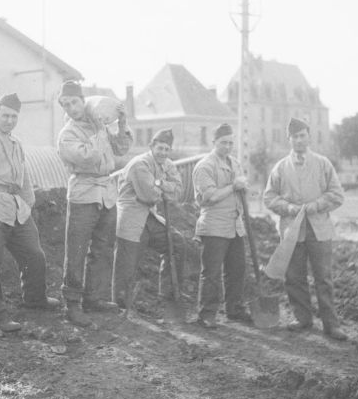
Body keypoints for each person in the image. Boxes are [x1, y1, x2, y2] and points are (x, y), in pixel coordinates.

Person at [0, 93, 59, 333]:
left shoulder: (16, 143)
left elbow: (24, 177)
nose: (9, 120)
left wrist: (28, 203)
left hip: (16, 209)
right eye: (5, 115)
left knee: (35, 254)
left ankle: (34, 298)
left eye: (14, 116)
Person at [263, 117, 347, 341]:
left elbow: (337, 195)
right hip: (292, 231)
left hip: (319, 229)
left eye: (303, 136)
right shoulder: (280, 167)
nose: (299, 140)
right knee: (294, 276)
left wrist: (316, 205)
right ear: (288, 139)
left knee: (324, 277)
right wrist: (288, 207)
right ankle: (303, 318)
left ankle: (331, 324)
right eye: (295, 137)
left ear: (308, 136)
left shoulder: (323, 164)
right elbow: (269, 198)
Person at [57, 80, 132, 327]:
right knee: (77, 250)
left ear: (83, 101)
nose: (71, 108)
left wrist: (121, 122)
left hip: (106, 192)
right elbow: (87, 158)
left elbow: (121, 149)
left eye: (75, 102)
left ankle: (94, 297)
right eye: (66, 104)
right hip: (84, 192)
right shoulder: (68, 134)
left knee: (102, 247)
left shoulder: (97, 124)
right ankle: (72, 305)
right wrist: (101, 130)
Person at [112, 128, 185, 311]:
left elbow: (177, 191)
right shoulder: (140, 164)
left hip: (150, 217)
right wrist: (163, 190)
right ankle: (121, 306)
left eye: (167, 149)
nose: (163, 153)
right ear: (151, 146)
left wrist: (160, 184)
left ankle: (167, 296)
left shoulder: (165, 164)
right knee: (127, 263)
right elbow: (149, 195)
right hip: (131, 217)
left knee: (176, 243)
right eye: (160, 148)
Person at [192, 123, 251, 329]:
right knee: (212, 272)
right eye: (223, 142)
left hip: (235, 225)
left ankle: (234, 309)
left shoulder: (235, 163)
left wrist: (243, 188)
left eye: (230, 143)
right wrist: (233, 186)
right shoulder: (205, 166)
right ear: (214, 142)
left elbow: (242, 191)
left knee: (237, 269)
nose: (227, 146)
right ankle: (206, 313)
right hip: (214, 226)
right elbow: (210, 197)